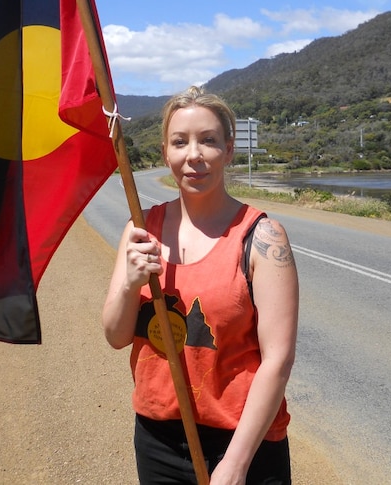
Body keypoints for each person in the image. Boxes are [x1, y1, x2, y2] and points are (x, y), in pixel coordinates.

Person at [102, 86, 299, 484]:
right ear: (165, 153)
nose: (194, 155)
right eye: (180, 142)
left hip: (243, 439)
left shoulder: (262, 238)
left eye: (208, 141)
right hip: (158, 438)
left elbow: (277, 359)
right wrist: (130, 284)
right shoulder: (140, 230)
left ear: (228, 150)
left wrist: (237, 463)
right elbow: (116, 336)